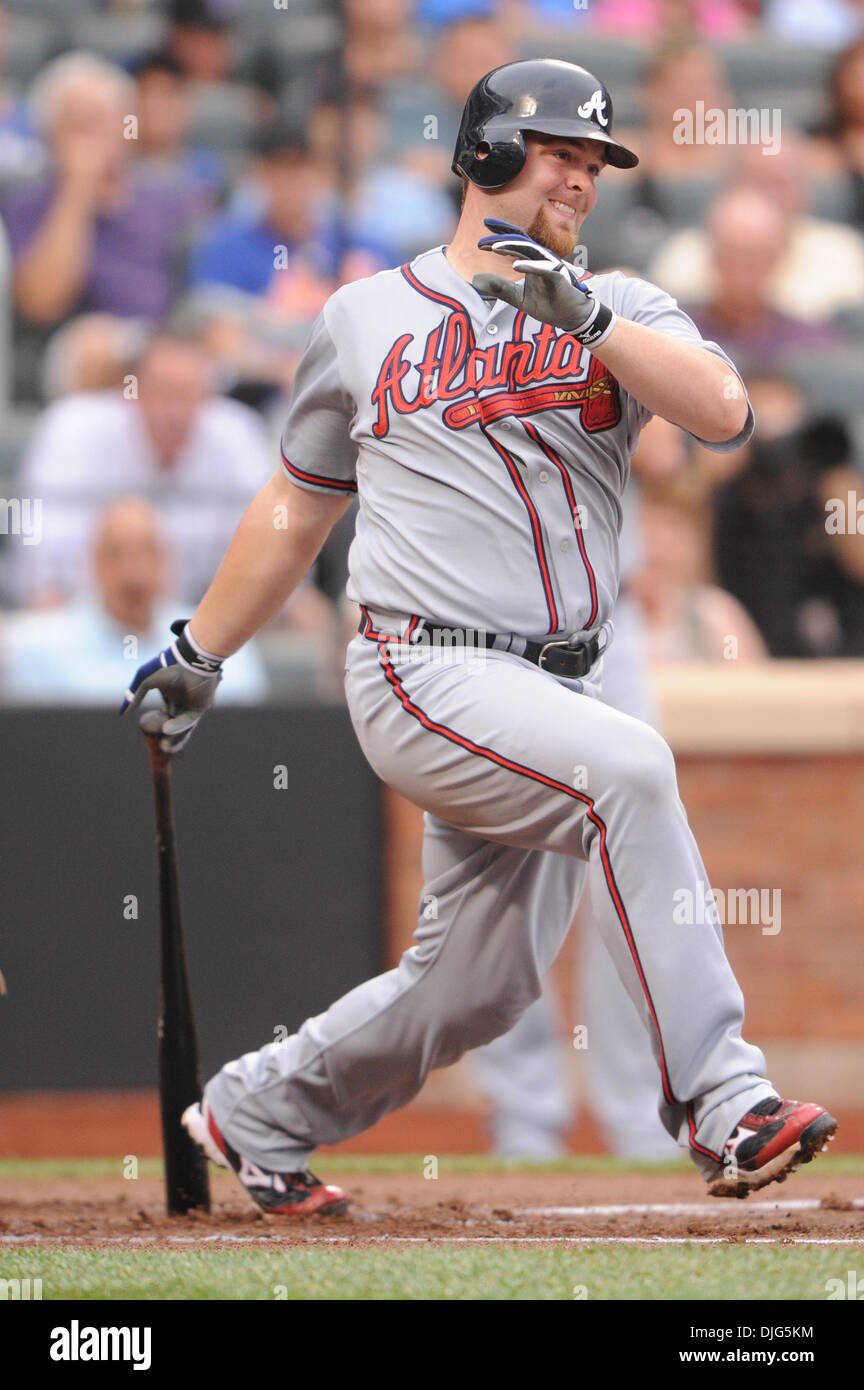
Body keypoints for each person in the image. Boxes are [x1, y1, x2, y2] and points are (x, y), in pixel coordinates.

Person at [122, 60, 836, 1216]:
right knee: (631, 771)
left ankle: (258, 1109)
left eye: (594, 162)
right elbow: (299, 504)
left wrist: (592, 320)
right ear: (487, 152)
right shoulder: (364, 317)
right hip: (420, 664)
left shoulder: (628, 304)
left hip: (562, 685)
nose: (580, 179)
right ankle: (722, 1098)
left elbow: (725, 412)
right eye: (559, 152)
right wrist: (202, 650)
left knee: (477, 984)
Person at [15, 332, 270, 607]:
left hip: (205, 625)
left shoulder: (238, 434)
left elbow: (267, 556)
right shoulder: (71, 429)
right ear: (132, 392)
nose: (177, 412)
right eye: (165, 392)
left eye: (189, 394)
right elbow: (38, 566)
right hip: (84, 619)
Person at [1, 497, 268, 705]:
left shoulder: (222, 649)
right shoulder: (38, 648)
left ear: (169, 562)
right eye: (116, 555)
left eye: (148, 553)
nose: (134, 574)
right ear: (93, 562)